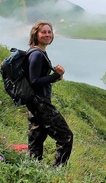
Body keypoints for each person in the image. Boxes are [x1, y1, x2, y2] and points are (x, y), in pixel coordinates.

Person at [25, 20, 73, 167]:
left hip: (34, 100)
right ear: (36, 34)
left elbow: (37, 79)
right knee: (66, 136)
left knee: (37, 135)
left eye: (49, 32)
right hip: (40, 102)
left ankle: (33, 166)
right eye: (43, 32)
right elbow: (34, 81)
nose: (47, 35)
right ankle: (57, 170)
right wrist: (55, 75)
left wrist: (55, 78)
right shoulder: (37, 54)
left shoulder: (36, 52)